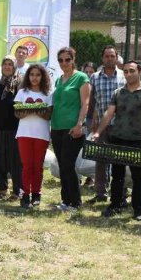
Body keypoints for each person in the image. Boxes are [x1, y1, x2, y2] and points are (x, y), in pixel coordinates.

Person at [94, 60, 141, 221]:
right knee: (117, 175)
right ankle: (115, 204)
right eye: (126, 71)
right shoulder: (118, 93)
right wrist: (98, 132)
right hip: (117, 138)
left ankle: (138, 209)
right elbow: (108, 114)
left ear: (140, 71)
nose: (128, 74)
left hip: (136, 139)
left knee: (138, 176)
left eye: (132, 71)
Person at [50, 47, 90, 212]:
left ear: (73, 60)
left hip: (73, 128)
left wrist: (79, 124)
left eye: (67, 59)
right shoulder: (59, 80)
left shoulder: (81, 78)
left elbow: (85, 103)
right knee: (62, 165)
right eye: (60, 60)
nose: (64, 63)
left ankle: (75, 202)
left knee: (68, 164)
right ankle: (66, 200)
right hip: (57, 127)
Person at [87, 45, 126, 203]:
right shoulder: (95, 77)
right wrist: (90, 121)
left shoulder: (125, 76)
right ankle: (100, 192)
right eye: (107, 56)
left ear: (116, 58)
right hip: (102, 126)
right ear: (102, 59)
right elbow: (92, 101)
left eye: (112, 56)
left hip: (121, 126)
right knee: (101, 159)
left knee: (120, 160)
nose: (110, 59)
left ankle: (120, 192)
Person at [12, 63, 53, 208]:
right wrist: (36, 109)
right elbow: (17, 113)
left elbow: (48, 115)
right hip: (24, 134)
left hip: (41, 135)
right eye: (32, 75)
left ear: (43, 77)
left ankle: (36, 194)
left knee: (37, 166)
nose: (34, 78)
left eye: (38, 75)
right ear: (28, 76)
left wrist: (31, 109)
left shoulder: (47, 94)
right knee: (27, 165)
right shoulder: (22, 92)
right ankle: (25, 194)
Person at [0, 55, 22, 200]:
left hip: (13, 127)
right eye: (5, 64)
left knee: (14, 160)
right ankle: (2, 188)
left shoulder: (20, 84)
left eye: (10, 64)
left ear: (14, 67)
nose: (7, 67)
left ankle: (17, 190)